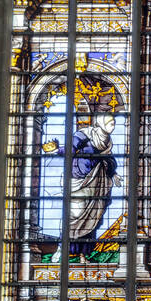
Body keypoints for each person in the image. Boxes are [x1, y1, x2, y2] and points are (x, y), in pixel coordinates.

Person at [44, 111, 121, 261]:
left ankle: (83, 255)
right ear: (100, 122)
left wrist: (113, 174)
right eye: (110, 122)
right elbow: (70, 150)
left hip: (96, 184)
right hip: (78, 181)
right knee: (74, 216)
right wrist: (56, 150)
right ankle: (63, 248)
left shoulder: (106, 141)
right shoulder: (83, 135)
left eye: (113, 123)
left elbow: (108, 159)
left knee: (92, 219)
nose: (113, 125)